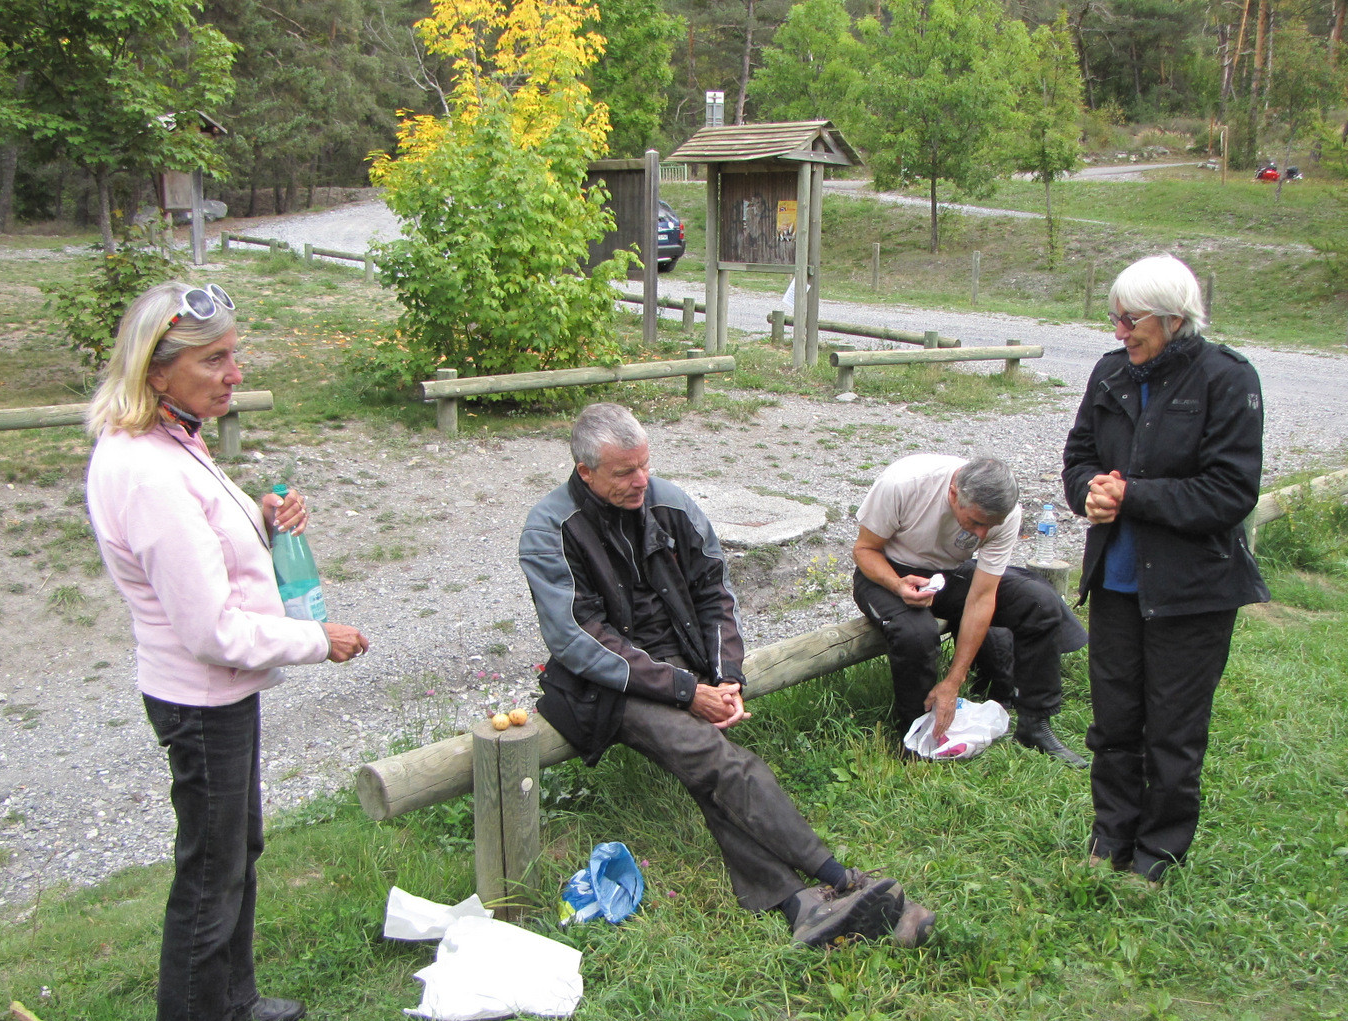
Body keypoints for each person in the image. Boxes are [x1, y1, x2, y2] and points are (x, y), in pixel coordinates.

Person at [519, 404, 934, 948]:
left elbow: (715, 590)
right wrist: (688, 692)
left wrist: (726, 675)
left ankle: (801, 906)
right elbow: (578, 638)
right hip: (608, 687)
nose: (641, 481)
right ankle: (842, 880)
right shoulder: (549, 529)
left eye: (644, 465)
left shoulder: (670, 503)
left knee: (708, 774)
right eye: (625, 472)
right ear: (585, 471)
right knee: (716, 761)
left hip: (686, 665)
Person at [85, 281, 369, 1021]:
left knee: (237, 845)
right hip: (199, 695)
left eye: (234, 355)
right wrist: (318, 639)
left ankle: (232, 996)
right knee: (212, 861)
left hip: (220, 693)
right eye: (214, 360)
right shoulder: (145, 470)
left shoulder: (176, 439)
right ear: (157, 370)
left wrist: (264, 516)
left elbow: (210, 531)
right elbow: (210, 629)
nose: (234, 373)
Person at [1062, 254, 1269, 883]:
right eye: (1115, 320)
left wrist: (1132, 497)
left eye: (1131, 321)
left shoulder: (1228, 379)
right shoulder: (1109, 374)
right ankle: (1111, 836)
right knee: (1114, 722)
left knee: (1174, 733)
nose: (1120, 334)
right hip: (1118, 586)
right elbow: (1079, 457)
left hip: (1193, 592)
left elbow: (1231, 493)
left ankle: (1158, 852)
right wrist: (1088, 493)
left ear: (1175, 319)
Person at [851, 454, 1089, 766]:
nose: (980, 535)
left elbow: (982, 597)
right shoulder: (905, 483)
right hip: (885, 571)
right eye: (975, 522)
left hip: (948, 571)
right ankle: (916, 736)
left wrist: (953, 681)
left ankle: (1035, 723)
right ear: (953, 494)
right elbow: (864, 550)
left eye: (990, 526)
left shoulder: (1004, 513)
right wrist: (896, 585)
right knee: (915, 634)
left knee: (1039, 601)